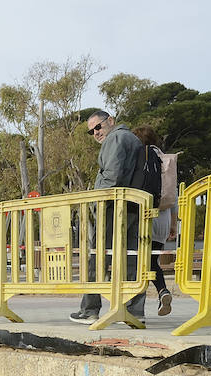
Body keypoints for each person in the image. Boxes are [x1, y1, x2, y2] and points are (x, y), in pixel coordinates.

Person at [70, 110, 147, 323]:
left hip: (114, 207)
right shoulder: (134, 139)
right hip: (134, 206)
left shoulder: (115, 138)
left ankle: (90, 309)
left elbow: (112, 176)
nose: (95, 133)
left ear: (110, 121)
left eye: (98, 127)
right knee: (132, 258)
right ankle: (134, 312)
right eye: (91, 131)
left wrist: (96, 200)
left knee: (98, 257)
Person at [132, 126, 178, 316]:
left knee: (136, 265)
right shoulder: (166, 161)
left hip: (144, 217)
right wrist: (174, 225)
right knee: (151, 261)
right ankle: (162, 292)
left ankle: (135, 310)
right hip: (164, 218)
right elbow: (173, 197)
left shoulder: (140, 159)